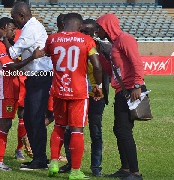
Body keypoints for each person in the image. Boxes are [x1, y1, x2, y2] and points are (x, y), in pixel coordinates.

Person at [45, 13, 103, 179]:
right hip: (78, 92)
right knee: (77, 131)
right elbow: (97, 66)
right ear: (80, 26)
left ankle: (54, 163)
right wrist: (98, 86)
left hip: (58, 90)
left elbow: (47, 53)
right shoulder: (86, 40)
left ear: (63, 24)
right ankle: (75, 171)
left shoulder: (52, 38)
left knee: (59, 127)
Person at [0, 17, 46, 171]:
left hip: (9, 90)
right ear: (3, 28)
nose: (14, 33)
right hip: (4, 90)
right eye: (12, 30)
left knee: (1, 123)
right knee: (4, 124)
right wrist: (33, 57)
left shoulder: (4, 43)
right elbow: (11, 67)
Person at [0, 2, 53, 170]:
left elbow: (14, 53)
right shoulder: (33, 26)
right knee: (30, 118)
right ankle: (39, 157)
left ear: (22, 16)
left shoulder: (31, 28)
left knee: (34, 118)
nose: (15, 23)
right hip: (36, 77)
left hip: (40, 77)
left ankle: (40, 160)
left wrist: (4, 39)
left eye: (15, 18)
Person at [58, 19, 111, 177]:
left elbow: (107, 69)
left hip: (96, 97)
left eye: (88, 32)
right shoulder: (73, 46)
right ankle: (71, 163)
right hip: (75, 95)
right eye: (82, 31)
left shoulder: (104, 49)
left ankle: (96, 167)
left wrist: (99, 89)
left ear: (95, 32)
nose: (85, 34)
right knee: (70, 131)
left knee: (95, 132)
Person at [96, 13, 145, 180]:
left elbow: (136, 62)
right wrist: (101, 58)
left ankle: (135, 172)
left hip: (131, 89)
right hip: (122, 91)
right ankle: (125, 169)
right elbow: (113, 73)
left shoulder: (125, 39)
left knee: (124, 130)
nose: (97, 32)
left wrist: (138, 84)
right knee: (119, 130)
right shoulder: (115, 43)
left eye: (99, 28)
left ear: (107, 27)